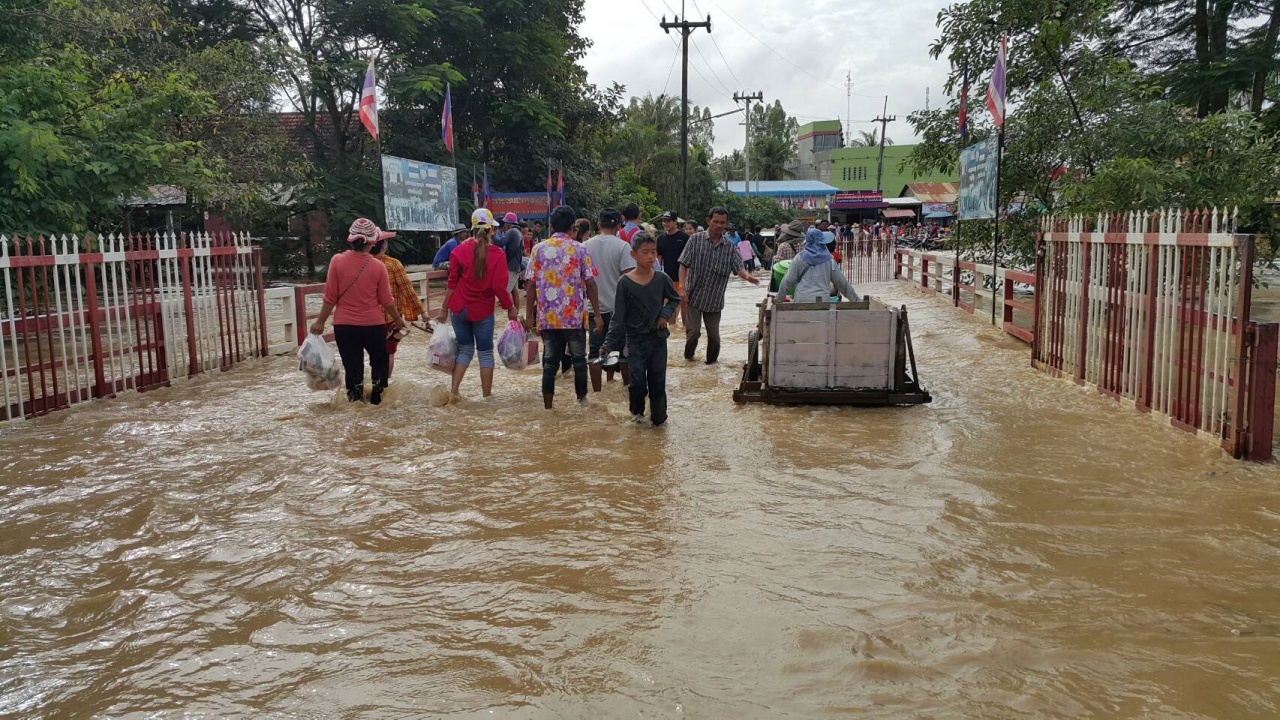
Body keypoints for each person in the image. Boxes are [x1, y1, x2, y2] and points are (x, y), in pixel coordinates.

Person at [309, 218, 408, 405]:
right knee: (379, 363)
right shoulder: (378, 266)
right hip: (373, 326)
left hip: (344, 327)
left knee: (353, 368)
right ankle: (378, 401)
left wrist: (320, 321)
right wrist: (398, 319)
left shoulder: (337, 261)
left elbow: (330, 297)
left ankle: (355, 403)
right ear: (372, 242)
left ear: (351, 239)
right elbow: (386, 300)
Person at [525, 205, 603, 409]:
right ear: (573, 228)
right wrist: (598, 314)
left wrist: (529, 317)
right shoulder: (580, 248)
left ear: (551, 226)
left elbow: (530, 284)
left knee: (550, 363)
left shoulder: (538, 249)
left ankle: (548, 408)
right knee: (579, 361)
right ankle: (582, 402)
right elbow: (591, 283)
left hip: (548, 317)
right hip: (574, 317)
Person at [437, 208, 519, 401]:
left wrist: (443, 308)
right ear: (492, 230)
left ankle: (454, 392)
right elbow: (500, 287)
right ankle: (487, 398)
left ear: (472, 229)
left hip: (459, 309)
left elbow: (452, 283)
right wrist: (511, 308)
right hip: (482, 311)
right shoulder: (498, 254)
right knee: (485, 353)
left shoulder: (458, 251)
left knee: (465, 350)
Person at [600, 233, 682, 426]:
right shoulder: (625, 283)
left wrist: (664, 314)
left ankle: (659, 421)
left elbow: (675, 299)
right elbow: (617, 317)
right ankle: (636, 417)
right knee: (636, 383)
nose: (650, 257)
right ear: (633, 255)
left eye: (653, 252)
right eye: (645, 252)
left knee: (657, 382)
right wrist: (607, 345)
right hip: (635, 341)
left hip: (657, 340)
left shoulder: (662, 278)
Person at [677, 207, 761, 364]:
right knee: (693, 332)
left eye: (722, 222)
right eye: (715, 221)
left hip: (714, 300)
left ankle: (711, 365)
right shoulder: (695, 240)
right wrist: (682, 287)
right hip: (693, 296)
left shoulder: (729, 247)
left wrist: (748, 277)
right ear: (708, 221)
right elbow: (683, 264)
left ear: (726, 224)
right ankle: (688, 359)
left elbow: (739, 268)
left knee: (714, 337)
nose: (719, 225)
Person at [583, 208, 637, 391]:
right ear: (619, 226)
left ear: (598, 225)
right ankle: (626, 388)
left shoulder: (585, 246)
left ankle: (597, 393)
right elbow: (630, 279)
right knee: (623, 351)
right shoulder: (623, 246)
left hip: (593, 308)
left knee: (595, 351)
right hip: (619, 309)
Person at [371, 231, 426, 378]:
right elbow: (408, 290)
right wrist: (422, 313)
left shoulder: (363, 264)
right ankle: (383, 385)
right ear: (383, 245)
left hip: (367, 319)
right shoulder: (393, 264)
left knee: (373, 354)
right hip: (391, 318)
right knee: (389, 352)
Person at [776, 229, 862, 303]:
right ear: (822, 242)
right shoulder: (829, 260)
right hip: (823, 301)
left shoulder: (799, 258)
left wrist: (778, 300)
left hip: (801, 300)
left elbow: (787, 281)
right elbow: (841, 283)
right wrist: (856, 300)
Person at [654, 210, 689, 327]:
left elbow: (689, 260)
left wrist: (688, 278)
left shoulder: (684, 238)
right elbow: (658, 259)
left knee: (684, 303)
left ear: (675, 222)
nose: (665, 223)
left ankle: (685, 328)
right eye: (664, 221)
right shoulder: (660, 239)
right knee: (669, 305)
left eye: (668, 221)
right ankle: (672, 330)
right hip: (667, 278)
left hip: (683, 278)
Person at [497, 212, 524, 310]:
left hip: (511, 266)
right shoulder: (518, 232)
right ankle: (516, 312)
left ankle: (511, 312)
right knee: (514, 291)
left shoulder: (511, 231)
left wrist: (491, 235)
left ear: (508, 223)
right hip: (516, 265)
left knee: (506, 292)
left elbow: (500, 242)